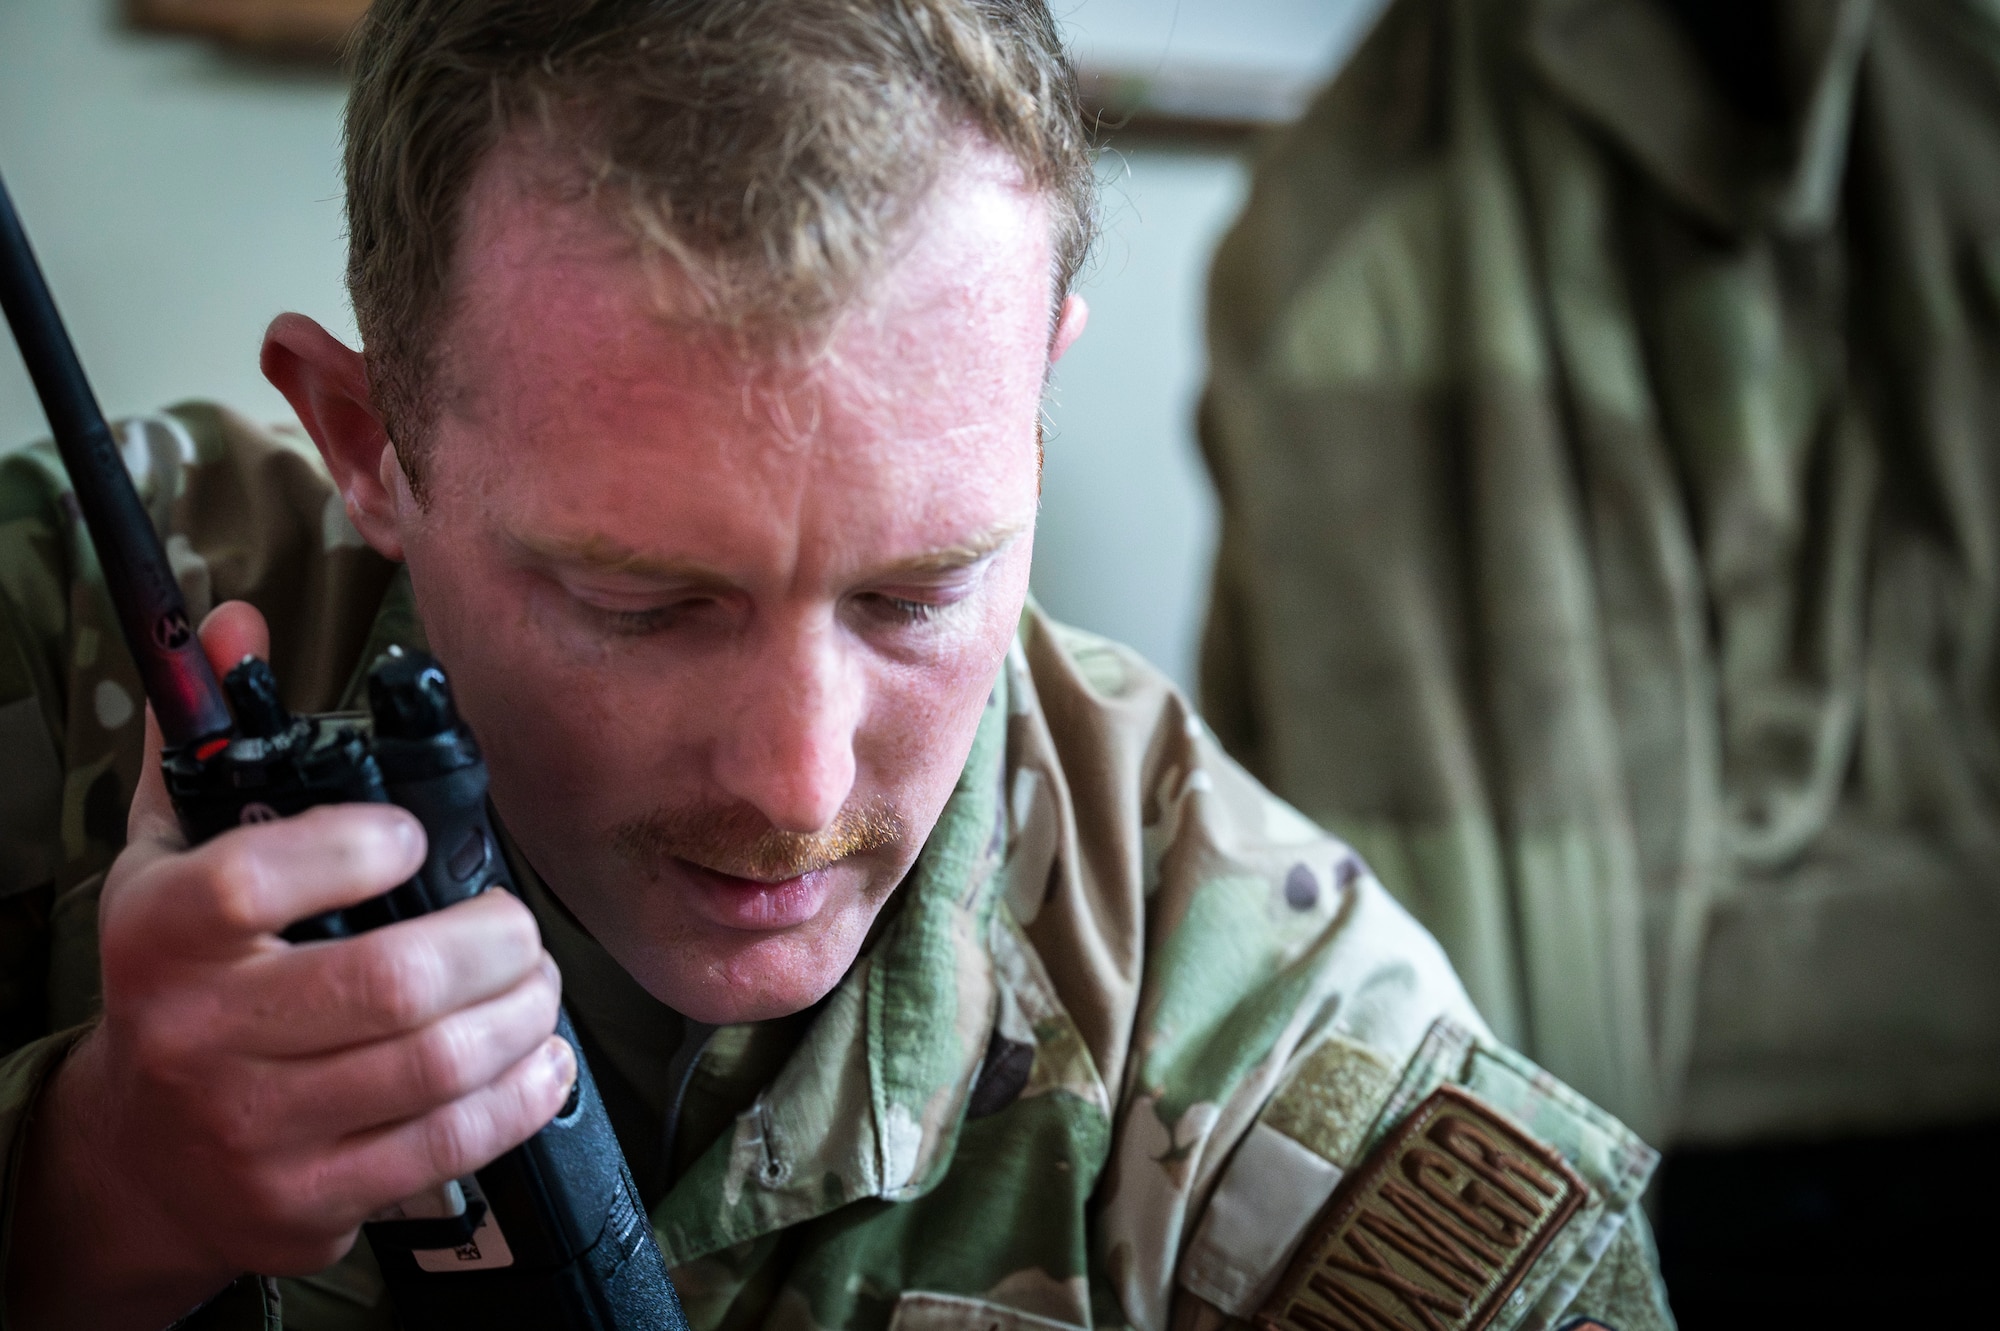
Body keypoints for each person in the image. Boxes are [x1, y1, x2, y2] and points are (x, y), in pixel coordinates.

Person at [0, 2, 1671, 1328]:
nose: (799, 784)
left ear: (1032, 394)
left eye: (920, 595)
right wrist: (97, 1195)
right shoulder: (49, 634)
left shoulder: (1267, 1036)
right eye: (639, 603)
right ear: (367, 443)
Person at [1198, 0, 2000, 1319]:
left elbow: (1255, 778)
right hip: (1680, 1111)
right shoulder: (1338, 220)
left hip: (1618, 1105)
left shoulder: (1333, 213)